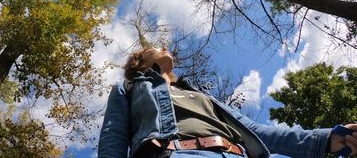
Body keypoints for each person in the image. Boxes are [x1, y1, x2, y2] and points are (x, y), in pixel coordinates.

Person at [98, 47, 357, 158]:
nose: (166, 47)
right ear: (140, 61)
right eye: (156, 47)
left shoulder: (200, 95)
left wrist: (327, 140)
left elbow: (259, 132)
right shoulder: (129, 89)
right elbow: (113, 139)